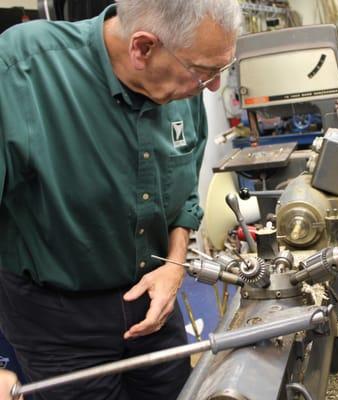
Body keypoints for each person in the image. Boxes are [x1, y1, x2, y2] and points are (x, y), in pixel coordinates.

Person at [0, 0, 241, 399]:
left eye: (220, 70)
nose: (213, 86)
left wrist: (174, 267)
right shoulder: (21, 72)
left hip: (153, 299)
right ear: (142, 48)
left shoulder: (180, 85)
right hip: (56, 318)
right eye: (203, 72)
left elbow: (183, 200)